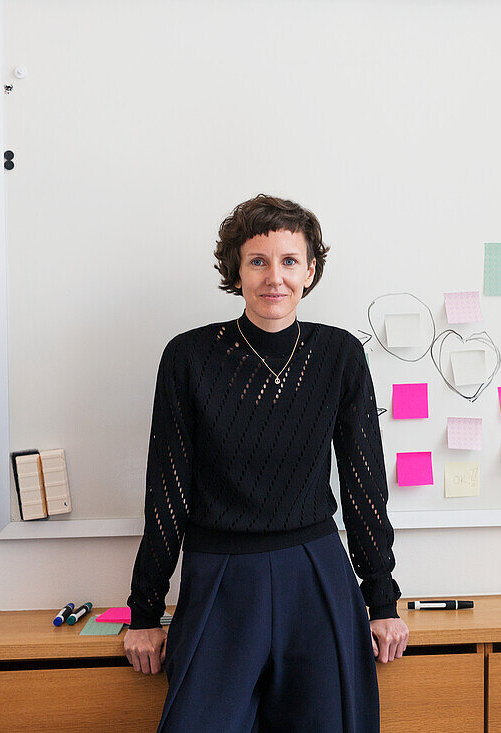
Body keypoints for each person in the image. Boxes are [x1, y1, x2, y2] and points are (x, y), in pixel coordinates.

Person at [123, 194, 409, 732]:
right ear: (236, 270)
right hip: (219, 578)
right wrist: (144, 611)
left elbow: (364, 485)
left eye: (288, 261)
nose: (273, 277)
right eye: (258, 261)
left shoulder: (340, 355)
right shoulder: (188, 358)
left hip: (316, 573)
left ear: (310, 269)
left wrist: (382, 599)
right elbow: (166, 494)